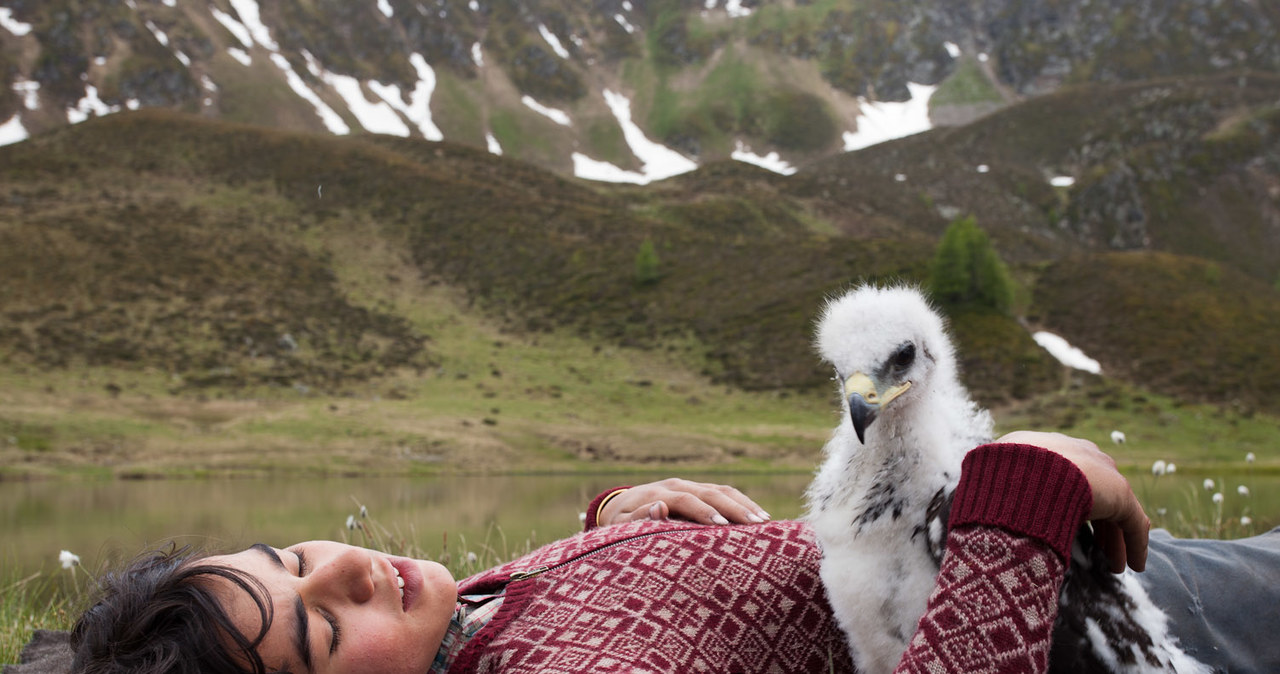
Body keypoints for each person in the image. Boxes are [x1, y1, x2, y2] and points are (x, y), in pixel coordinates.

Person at [65, 432, 1276, 673]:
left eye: (286, 551)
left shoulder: (456, 630)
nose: (335, 566)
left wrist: (616, 520)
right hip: (1114, 635)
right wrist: (1026, 486)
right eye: (320, 629)